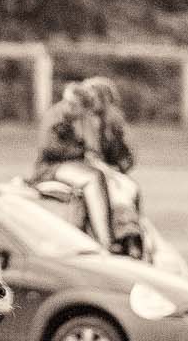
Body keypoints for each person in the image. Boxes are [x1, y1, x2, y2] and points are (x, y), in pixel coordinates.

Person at [32, 77, 143, 257]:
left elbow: (119, 154)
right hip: (51, 167)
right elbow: (49, 148)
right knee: (94, 179)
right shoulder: (57, 116)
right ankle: (106, 239)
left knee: (121, 185)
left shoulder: (92, 120)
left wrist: (104, 160)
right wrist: (81, 151)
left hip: (79, 164)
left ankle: (129, 236)